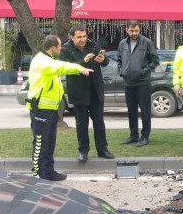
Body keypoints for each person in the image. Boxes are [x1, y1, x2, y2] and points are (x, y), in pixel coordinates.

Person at [26, 35, 93, 181]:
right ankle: (38, 174)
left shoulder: (47, 59)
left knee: (49, 143)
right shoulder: (43, 62)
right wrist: (80, 69)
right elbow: (62, 67)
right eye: (59, 46)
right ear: (53, 48)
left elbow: (60, 66)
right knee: (41, 144)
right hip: (41, 109)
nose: (61, 48)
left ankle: (48, 172)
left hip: (49, 109)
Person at [59, 25, 114, 163]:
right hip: (78, 91)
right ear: (72, 37)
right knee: (81, 124)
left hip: (95, 90)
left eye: (84, 36)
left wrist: (103, 60)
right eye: (79, 37)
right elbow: (65, 68)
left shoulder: (93, 45)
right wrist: (83, 61)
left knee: (99, 123)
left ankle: (102, 149)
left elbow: (105, 62)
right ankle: (83, 151)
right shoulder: (65, 49)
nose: (83, 39)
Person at [117, 20, 159, 147]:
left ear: (140, 30)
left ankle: (145, 136)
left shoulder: (147, 42)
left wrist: (143, 71)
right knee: (131, 111)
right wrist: (121, 71)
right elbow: (119, 60)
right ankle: (133, 135)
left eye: (136, 30)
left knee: (145, 111)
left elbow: (155, 60)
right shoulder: (122, 43)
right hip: (128, 83)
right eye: (132, 31)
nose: (134, 33)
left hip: (143, 83)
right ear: (127, 30)